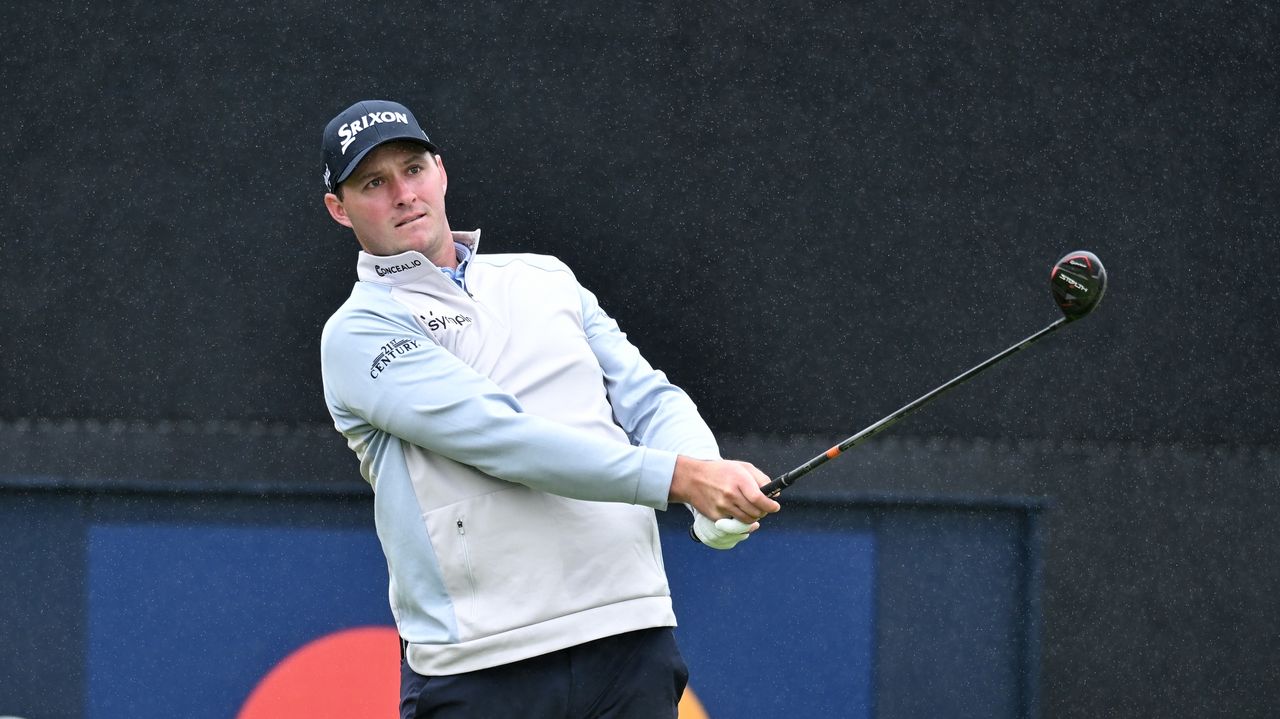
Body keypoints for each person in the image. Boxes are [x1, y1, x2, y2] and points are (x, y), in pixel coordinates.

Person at [318, 99, 781, 718]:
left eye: (413, 168)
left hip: (628, 633)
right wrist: (685, 479)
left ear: (441, 171)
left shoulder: (545, 278)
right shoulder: (358, 332)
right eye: (374, 183)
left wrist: (706, 476)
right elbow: (504, 439)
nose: (404, 194)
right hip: (480, 665)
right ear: (339, 209)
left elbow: (649, 398)